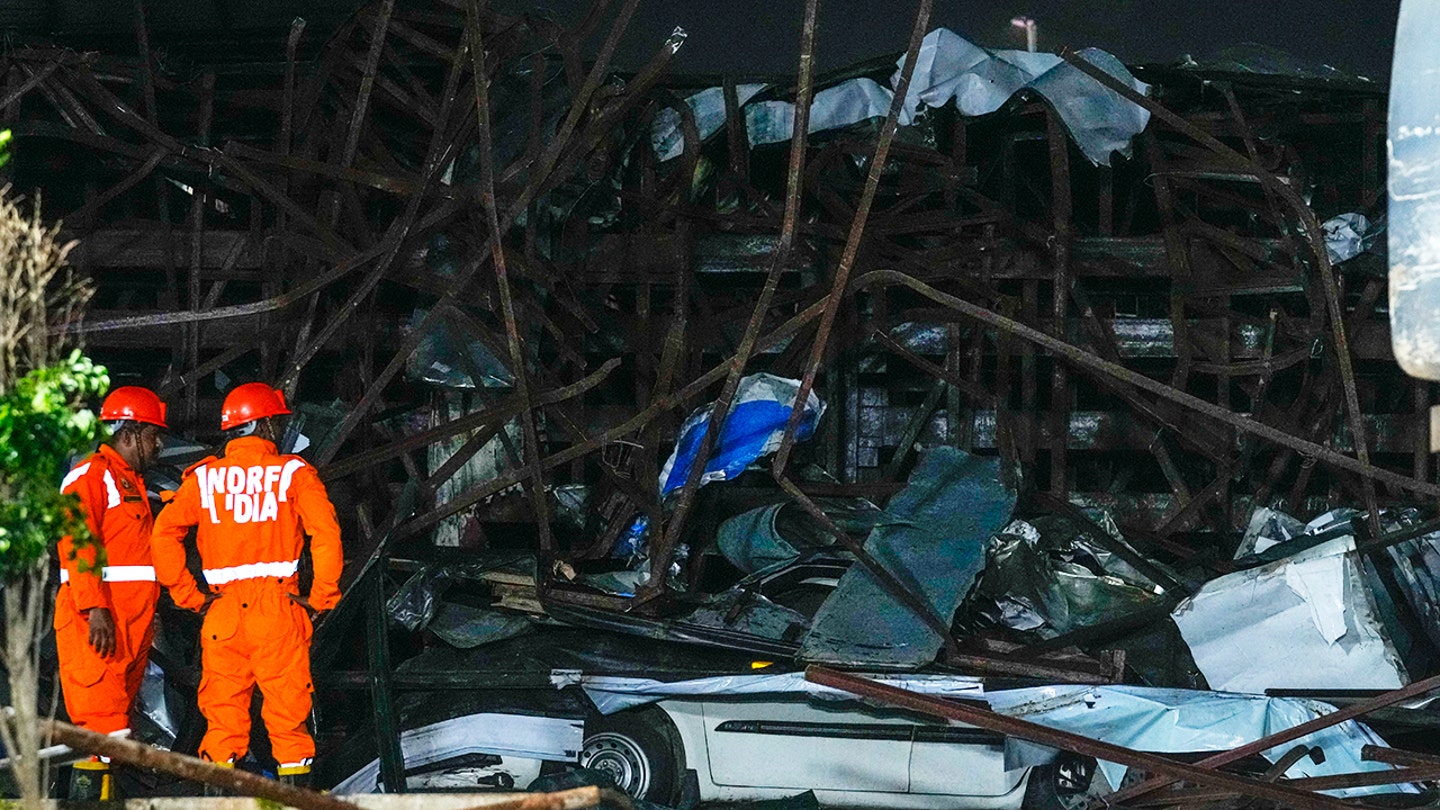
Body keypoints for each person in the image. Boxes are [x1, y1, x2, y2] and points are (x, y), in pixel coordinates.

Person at [150, 382, 342, 788]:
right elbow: (325, 534)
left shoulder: (203, 479)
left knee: (221, 725)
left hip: (222, 614)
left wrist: (190, 596)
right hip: (277, 610)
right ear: (266, 426)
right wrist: (320, 598)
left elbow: (163, 535)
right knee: (289, 726)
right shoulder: (292, 473)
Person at [55, 386, 168, 800]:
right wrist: (93, 606)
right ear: (130, 432)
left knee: (114, 729)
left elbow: (134, 561)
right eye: (153, 435)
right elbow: (76, 540)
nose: (159, 445)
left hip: (128, 625)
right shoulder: (92, 475)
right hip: (100, 621)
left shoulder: (130, 482)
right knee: (100, 727)